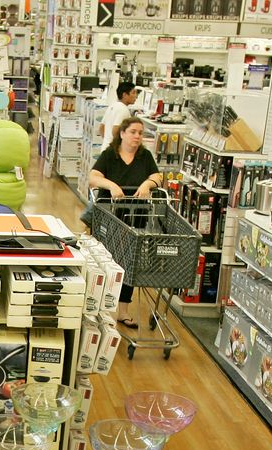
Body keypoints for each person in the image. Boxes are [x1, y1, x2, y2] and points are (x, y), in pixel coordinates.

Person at [88, 117, 164, 322]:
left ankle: (122, 312)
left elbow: (158, 177)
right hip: (109, 215)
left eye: (140, 133)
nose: (137, 136)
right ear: (122, 133)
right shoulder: (109, 155)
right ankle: (97, 308)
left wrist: (148, 184)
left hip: (136, 215)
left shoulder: (145, 156)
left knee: (129, 261)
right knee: (105, 259)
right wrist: (111, 185)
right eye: (133, 132)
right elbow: (93, 177)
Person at [100, 81, 138, 152]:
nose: (136, 96)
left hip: (105, 148)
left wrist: (107, 140)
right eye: (133, 93)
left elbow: (101, 127)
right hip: (114, 151)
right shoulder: (123, 109)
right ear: (124, 95)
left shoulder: (112, 106)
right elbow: (115, 130)